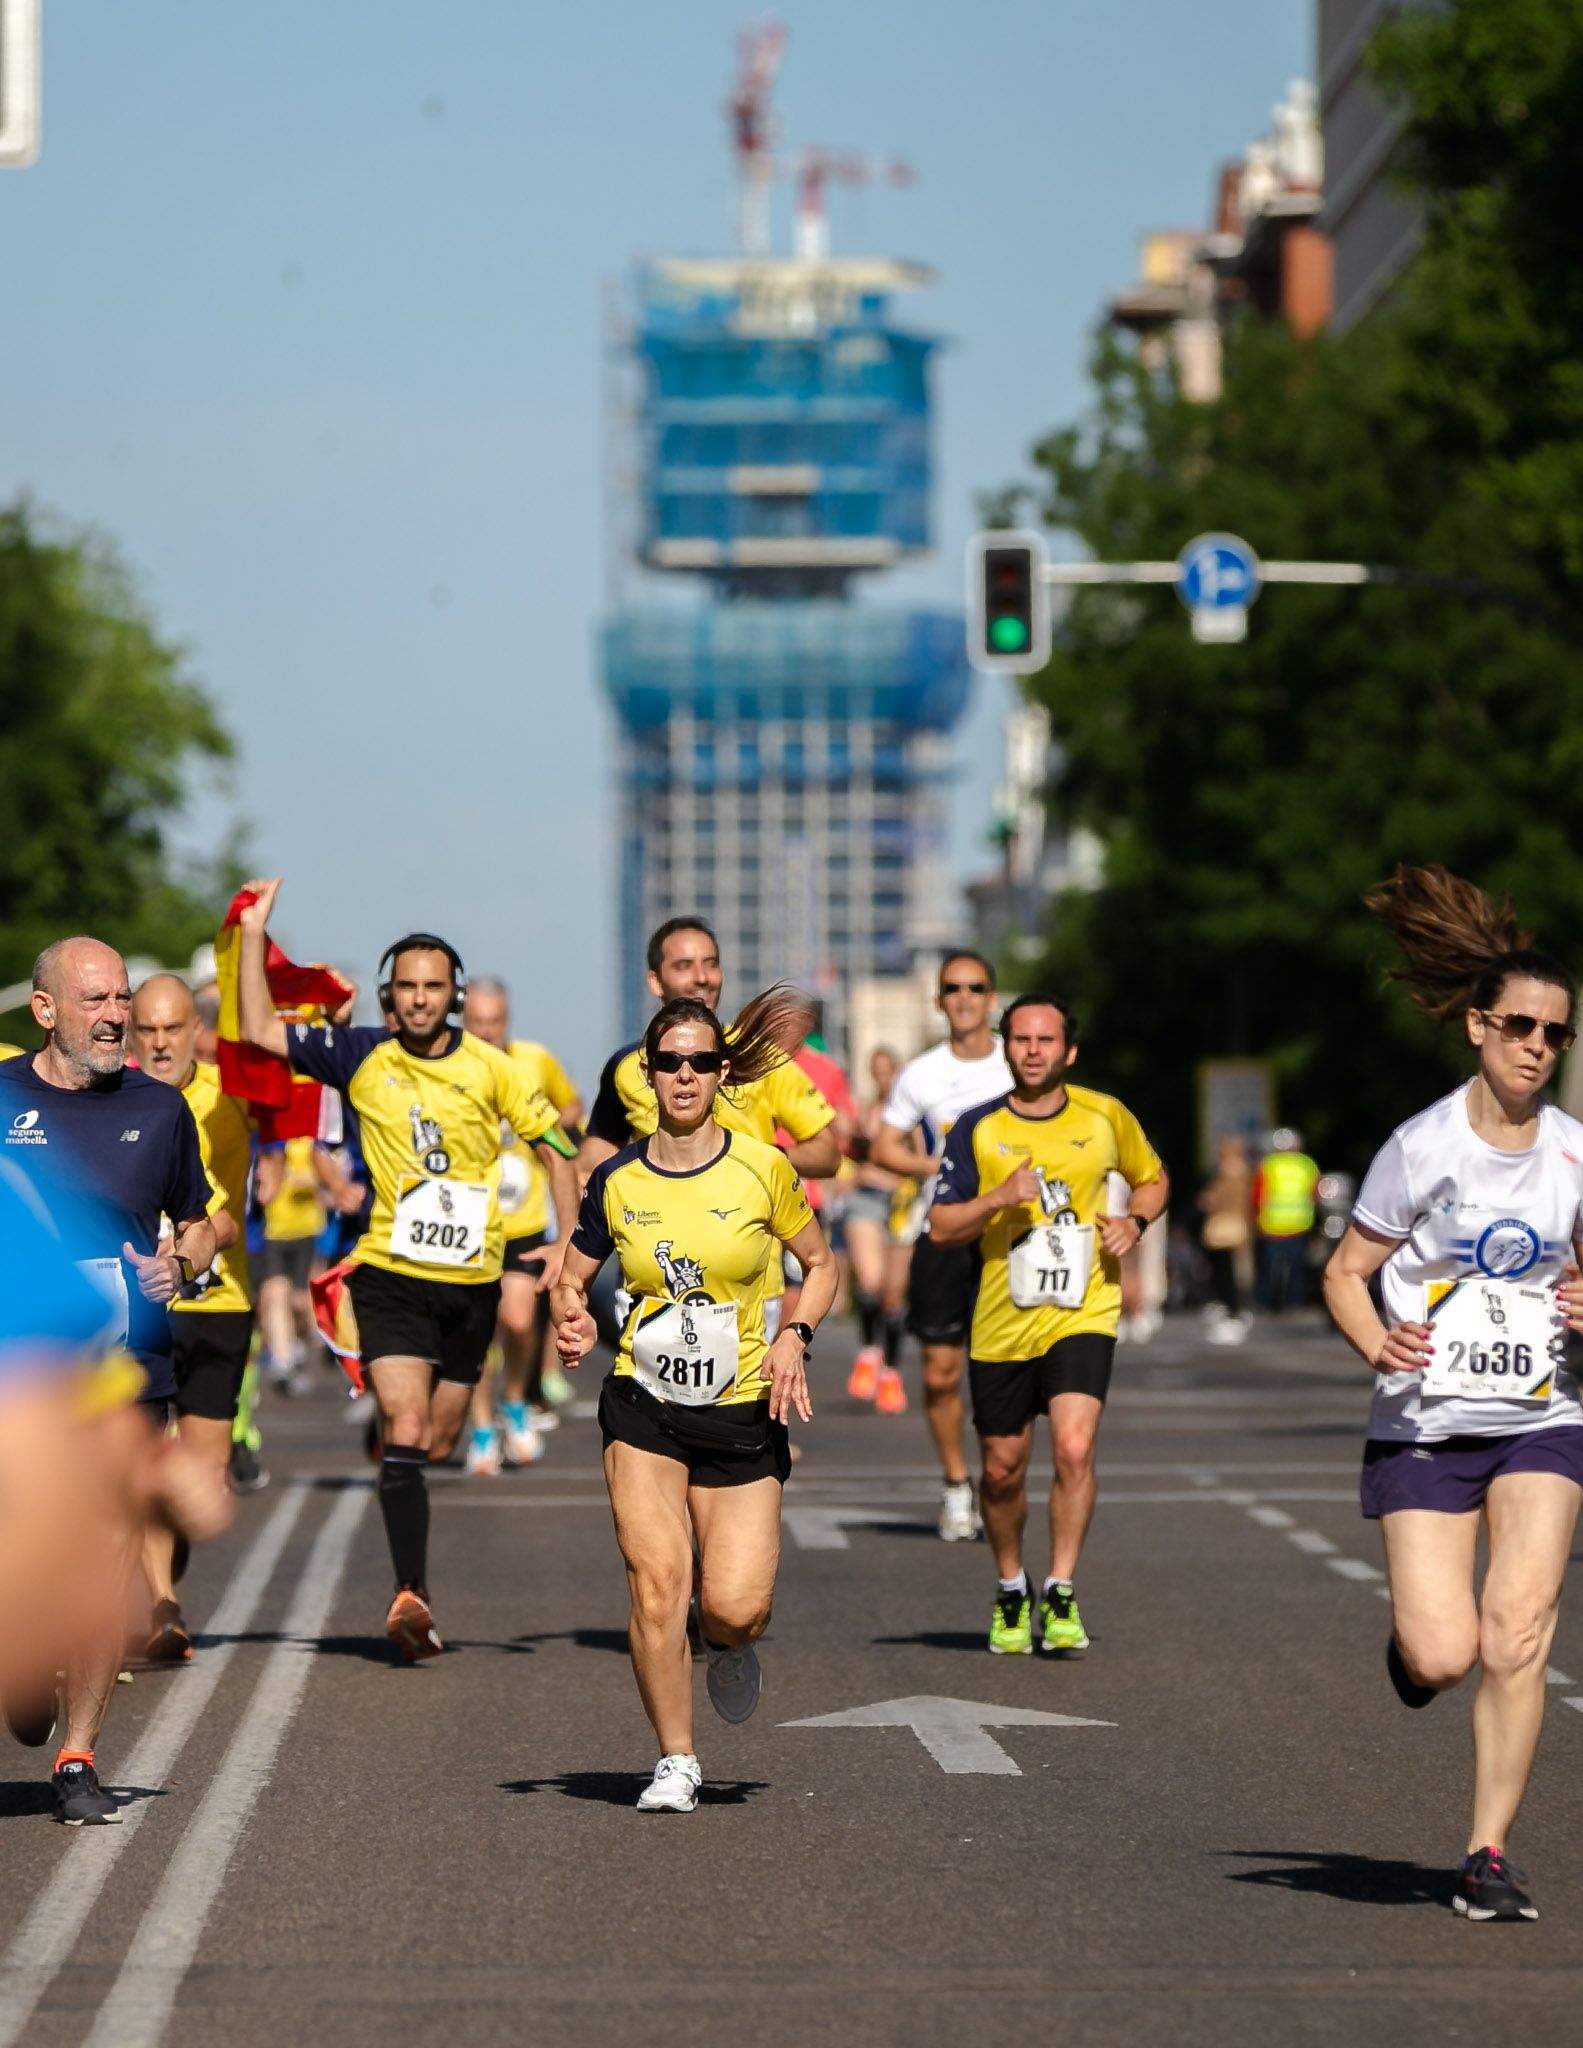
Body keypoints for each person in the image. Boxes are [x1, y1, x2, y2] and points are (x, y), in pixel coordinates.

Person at [1324, 865, 1583, 1924]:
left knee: (1515, 1632)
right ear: (1476, 1024)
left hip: (1543, 1416)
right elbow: (1344, 1270)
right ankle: (1409, 1654)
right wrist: (1376, 1340)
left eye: (1555, 1033)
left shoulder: (1573, 1154)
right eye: (1518, 1024)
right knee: (1444, 1650)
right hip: (1426, 1420)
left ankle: (1483, 1851)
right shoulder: (1420, 1148)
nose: (1536, 1045)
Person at [234, 880, 578, 1660]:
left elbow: (557, 1147)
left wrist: (562, 1247)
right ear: (389, 996)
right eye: (407, 988)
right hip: (388, 1272)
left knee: (442, 1435)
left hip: (471, 1284)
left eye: (434, 987)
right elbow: (258, 1030)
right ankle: (410, 1594)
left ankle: (397, 1456)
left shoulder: (493, 1069)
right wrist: (255, 932)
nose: (420, 1000)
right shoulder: (361, 1055)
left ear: (453, 995)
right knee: (409, 1425)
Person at [551, 990, 837, 1813]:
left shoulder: (763, 1169)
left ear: (720, 1074)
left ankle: (728, 1643)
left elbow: (820, 1266)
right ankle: (675, 1758)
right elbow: (572, 1279)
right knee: (655, 1584)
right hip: (643, 1405)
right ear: (647, 1073)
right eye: (669, 1061)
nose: (684, 1075)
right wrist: (570, 1320)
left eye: (701, 1062)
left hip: (742, 1410)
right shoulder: (615, 1180)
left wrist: (795, 1336)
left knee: (735, 1609)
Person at [0, 937, 220, 1822]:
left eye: (121, 998)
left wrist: (184, 1267)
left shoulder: (161, 1110)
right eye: (94, 999)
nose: (115, 1016)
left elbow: (201, 1224)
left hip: (126, 1373)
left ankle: (77, 1758)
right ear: (45, 1010)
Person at [930, 993, 1167, 1657]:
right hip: (1001, 1322)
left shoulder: (1104, 1117)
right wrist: (999, 1197)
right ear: (1006, 1048)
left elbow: (1152, 1181)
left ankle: (1060, 1585)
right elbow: (940, 1226)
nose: (1032, 1050)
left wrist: (1133, 1222)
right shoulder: (975, 1128)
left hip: (1083, 1310)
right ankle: (1011, 1584)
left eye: (1045, 1040)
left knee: (1071, 1446)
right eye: (1021, 1039)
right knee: (1002, 1471)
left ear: (1068, 1051)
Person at [581, 917, 840, 1342]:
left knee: (739, 1407)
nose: (701, 976)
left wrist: (750, 1165)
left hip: (747, 1286)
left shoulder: (760, 1057)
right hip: (652, 1280)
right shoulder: (629, 1067)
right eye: (684, 965)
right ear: (654, 980)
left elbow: (828, 1153)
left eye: (710, 963)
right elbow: (597, 1148)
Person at [129, 973, 260, 1658]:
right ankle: (162, 1604)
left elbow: (295, 1074)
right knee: (145, 1463)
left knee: (197, 1481)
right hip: (140, 1310)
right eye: (144, 1030)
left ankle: (158, 1583)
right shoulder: (108, 1096)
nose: (157, 1043)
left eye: (170, 1030)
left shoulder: (231, 1097)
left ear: (195, 1033)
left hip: (220, 1303)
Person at [868, 950, 1012, 1542]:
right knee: (938, 1372)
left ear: (992, 998)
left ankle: (1000, 1479)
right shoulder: (923, 1073)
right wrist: (938, 1165)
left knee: (1004, 1372)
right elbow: (882, 1146)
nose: (964, 997)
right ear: (938, 1000)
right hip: (943, 1230)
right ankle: (957, 1484)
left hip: (1009, 1234)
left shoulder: (1018, 1062)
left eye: (975, 987)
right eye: (952, 988)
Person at [459, 977, 582, 1472]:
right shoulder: (452, 1069)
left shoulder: (533, 1060)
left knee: (518, 1319)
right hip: (467, 1222)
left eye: (495, 1022)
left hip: (525, 1219)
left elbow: (571, 1107)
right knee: (475, 1335)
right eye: (478, 1024)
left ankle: (514, 1401)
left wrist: (546, 1129)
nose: (487, 1032)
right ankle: (483, 1431)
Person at [843, 1046, 918, 1414]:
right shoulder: (864, 1114)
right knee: (870, 1283)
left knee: (893, 1295)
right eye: (878, 1071)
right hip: (866, 1200)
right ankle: (869, 1352)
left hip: (902, 1204)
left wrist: (899, 1175)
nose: (884, 1078)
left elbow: (924, 1162)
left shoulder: (913, 1118)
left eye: (889, 1071)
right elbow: (849, 1159)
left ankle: (890, 1373)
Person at [1255, 1127, 1319, 1312]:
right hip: (1299, 1224)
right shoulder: (1307, 1164)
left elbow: (1259, 1194)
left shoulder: (1268, 1164)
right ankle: (1294, 1301)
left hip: (1272, 1225)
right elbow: (1316, 1192)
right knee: (1296, 1267)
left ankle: (1268, 1301)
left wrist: (1257, 1218)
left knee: (1268, 1266)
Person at [1198, 1136, 1253, 1345]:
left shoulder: (1229, 1174)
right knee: (1227, 1270)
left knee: (1226, 1271)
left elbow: (1214, 1200)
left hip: (1226, 1224)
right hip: (1232, 1225)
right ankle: (1232, 1309)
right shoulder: (1243, 1174)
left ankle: (1232, 1311)